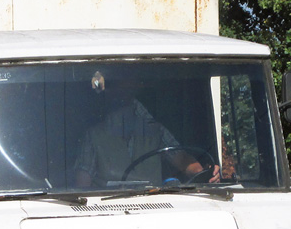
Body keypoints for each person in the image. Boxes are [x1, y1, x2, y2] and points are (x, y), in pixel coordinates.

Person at [72, 74, 218, 188]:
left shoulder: (155, 131)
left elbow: (181, 159)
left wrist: (204, 173)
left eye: (129, 90)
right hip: (110, 210)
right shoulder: (93, 136)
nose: (124, 93)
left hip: (154, 208)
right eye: (120, 89)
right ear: (110, 95)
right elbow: (83, 185)